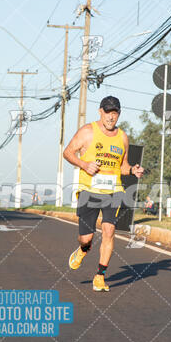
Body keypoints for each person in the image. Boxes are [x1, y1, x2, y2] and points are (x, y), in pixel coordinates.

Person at [63, 96, 144, 292]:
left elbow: (122, 167)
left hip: (113, 191)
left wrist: (133, 170)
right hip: (89, 190)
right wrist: (84, 164)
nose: (111, 116)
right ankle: (83, 250)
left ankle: (100, 275)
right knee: (86, 238)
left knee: (109, 231)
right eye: (108, 112)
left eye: (115, 112)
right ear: (100, 111)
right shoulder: (88, 132)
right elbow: (68, 152)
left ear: (119, 114)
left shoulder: (123, 137)